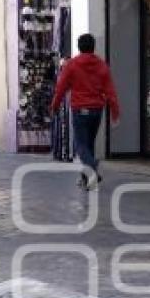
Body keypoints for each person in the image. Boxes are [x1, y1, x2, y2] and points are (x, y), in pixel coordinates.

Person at [50, 33, 120, 189]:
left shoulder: (72, 65)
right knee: (89, 144)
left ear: (79, 47)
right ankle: (85, 179)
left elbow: (61, 88)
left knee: (80, 145)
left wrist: (54, 106)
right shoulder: (102, 65)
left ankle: (92, 167)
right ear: (93, 47)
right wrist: (115, 111)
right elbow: (110, 90)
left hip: (80, 109)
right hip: (97, 109)